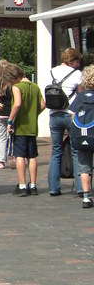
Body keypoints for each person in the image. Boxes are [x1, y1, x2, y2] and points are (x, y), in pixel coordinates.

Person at [47, 47, 83, 198]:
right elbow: (80, 94)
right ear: (73, 60)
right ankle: (81, 188)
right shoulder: (77, 74)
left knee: (56, 151)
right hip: (71, 114)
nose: (78, 64)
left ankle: (54, 188)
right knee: (76, 151)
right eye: (77, 61)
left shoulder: (52, 71)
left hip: (54, 114)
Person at [7, 69, 45, 196]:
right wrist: (34, 114)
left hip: (21, 126)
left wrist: (10, 120)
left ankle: (22, 185)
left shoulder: (17, 87)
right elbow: (43, 105)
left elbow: (17, 104)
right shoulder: (35, 87)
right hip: (32, 127)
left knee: (20, 155)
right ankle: (33, 185)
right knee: (32, 156)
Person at [68, 65, 94, 209]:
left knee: (84, 167)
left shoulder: (80, 98)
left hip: (82, 137)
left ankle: (86, 197)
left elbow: (72, 117)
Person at [0, 60, 21, 169]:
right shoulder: (13, 85)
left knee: (2, 138)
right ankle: (12, 158)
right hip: (10, 113)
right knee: (12, 137)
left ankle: (0, 161)